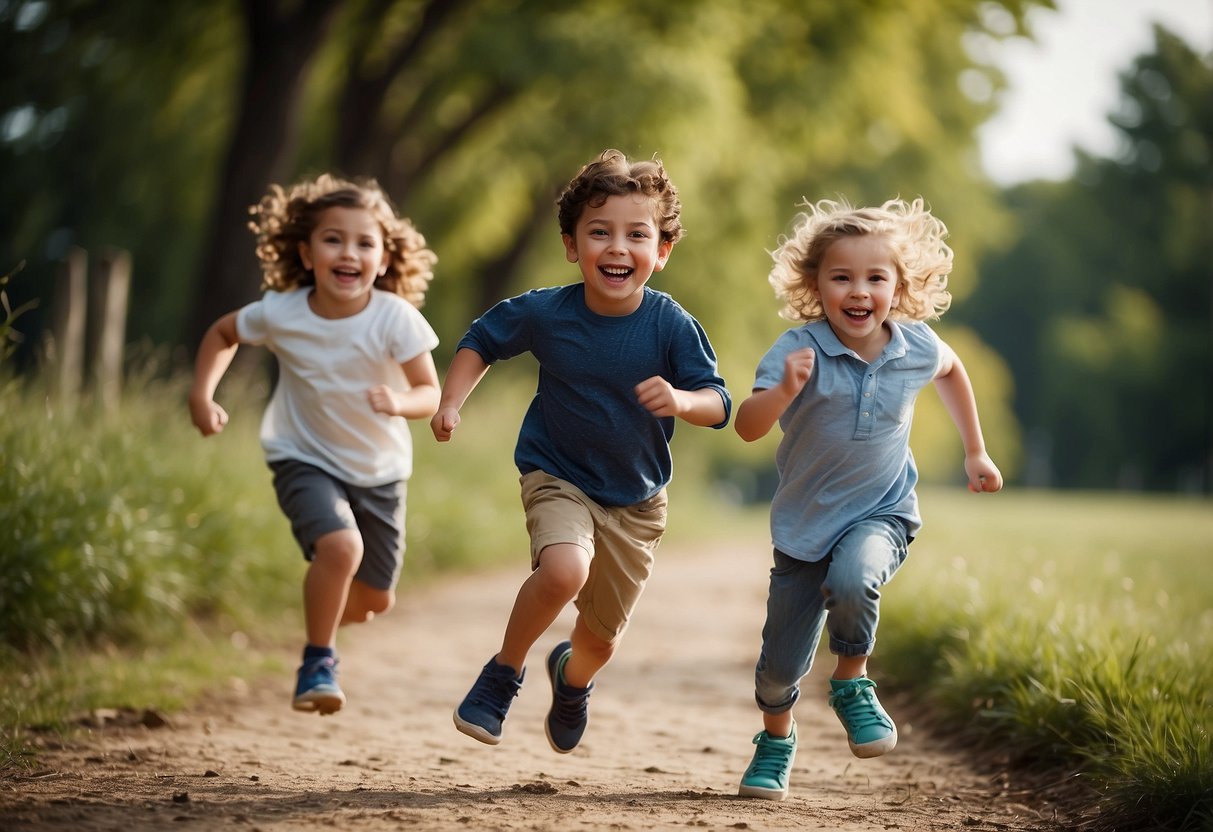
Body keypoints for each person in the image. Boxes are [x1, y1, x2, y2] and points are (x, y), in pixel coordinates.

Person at [430, 148, 731, 753]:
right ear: (572, 245)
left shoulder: (671, 325)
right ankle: (502, 674)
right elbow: (482, 340)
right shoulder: (547, 312)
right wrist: (450, 401)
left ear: (662, 251)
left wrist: (681, 400)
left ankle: (572, 681)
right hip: (558, 474)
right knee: (564, 569)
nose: (617, 247)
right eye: (600, 233)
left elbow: (719, 402)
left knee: (599, 641)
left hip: (637, 500)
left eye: (636, 235)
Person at [734, 197, 1003, 800]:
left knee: (856, 578)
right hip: (803, 528)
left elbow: (954, 370)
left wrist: (975, 451)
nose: (860, 291)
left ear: (899, 286)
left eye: (876, 278)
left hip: (882, 513)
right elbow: (748, 426)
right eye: (842, 277)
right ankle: (776, 738)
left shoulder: (915, 347)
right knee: (778, 671)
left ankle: (853, 683)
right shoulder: (795, 350)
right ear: (815, 285)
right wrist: (783, 391)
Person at [189, 173, 441, 716]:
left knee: (376, 598)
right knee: (341, 548)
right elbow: (222, 334)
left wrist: (400, 402)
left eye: (364, 242)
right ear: (307, 253)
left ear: (383, 257)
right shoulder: (283, 311)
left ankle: (318, 615)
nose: (348, 252)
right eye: (333, 239)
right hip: (301, 455)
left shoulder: (395, 318)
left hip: (379, 468)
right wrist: (201, 394)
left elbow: (429, 392)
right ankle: (318, 659)